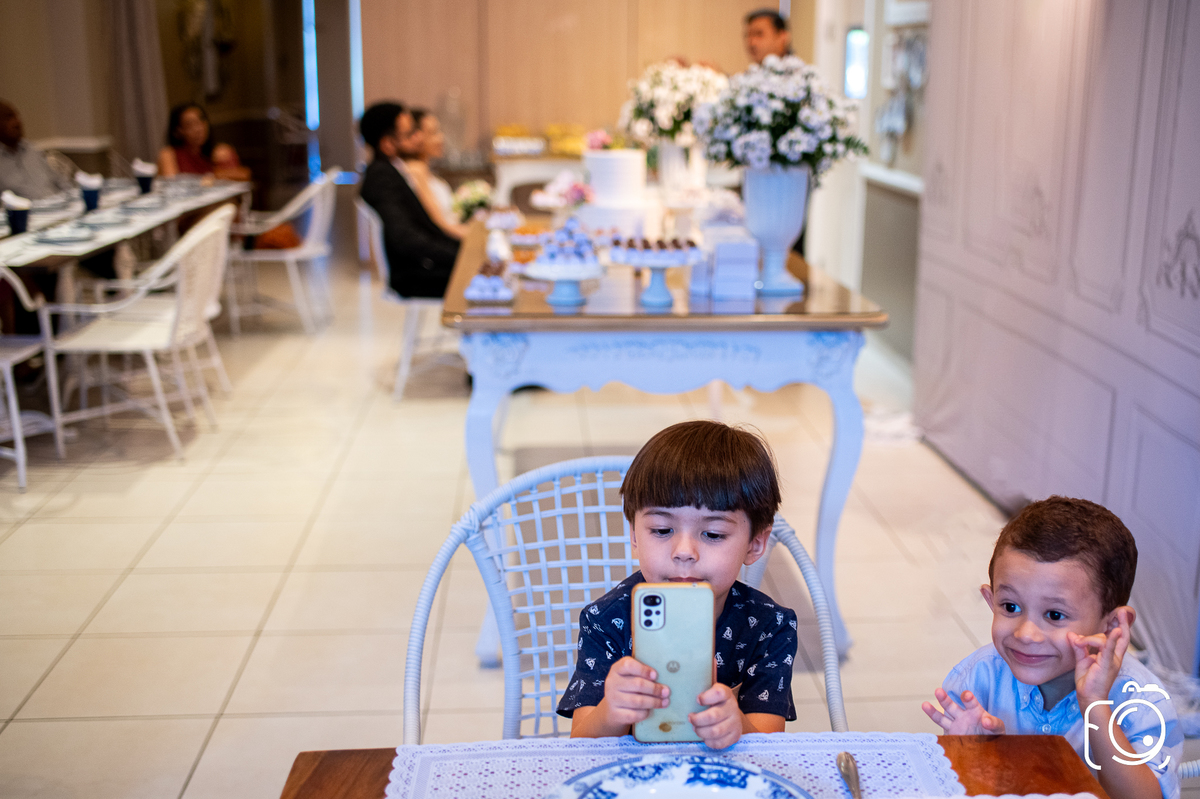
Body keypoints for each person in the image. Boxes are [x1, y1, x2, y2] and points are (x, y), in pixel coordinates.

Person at [558, 420, 798, 750]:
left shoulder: (770, 627)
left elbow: (770, 749)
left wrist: (736, 723)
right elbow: (582, 745)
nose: (684, 551)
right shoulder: (605, 620)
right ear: (633, 535)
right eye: (661, 530)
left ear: (755, 544)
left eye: (713, 534)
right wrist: (611, 712)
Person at [922, 497, 1180, 799]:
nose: (1026, 633)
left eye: (1054, 615)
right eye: (1011, 606)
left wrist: (1095, 705)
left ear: (1112, 626)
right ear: (991, 601)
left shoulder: (1142, 700)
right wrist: (974, 756)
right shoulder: (976, 682)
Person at [359, 101, 460, 299]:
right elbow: (406, 238)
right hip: (413, 275)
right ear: (387, 144)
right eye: (409, 135)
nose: (418, 138)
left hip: (423, 264)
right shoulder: (381, 177)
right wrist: (457, 256)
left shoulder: (392, 170)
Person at [405, 109, 465, 239]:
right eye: (433, 133)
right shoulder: (416, 171)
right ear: (416, 137)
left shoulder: (426, 169)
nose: (441, 138)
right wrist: (470, 235)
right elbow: (438, 223)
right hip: (442, 242)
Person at [157, 103, 251, 181]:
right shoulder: (169, 154)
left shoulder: (219, 151)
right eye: (190, 125)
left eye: (201, 121)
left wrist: (215, 175)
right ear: (177, 131)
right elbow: (172, 185)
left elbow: (244, 176)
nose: (199, 129)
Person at [0, 100, 73, 199]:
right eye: (8, 118)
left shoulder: (31, 149)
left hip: (58, 207)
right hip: (27, 213)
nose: (16, 122)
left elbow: (61, 182)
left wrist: (74, 198)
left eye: (16, 116)